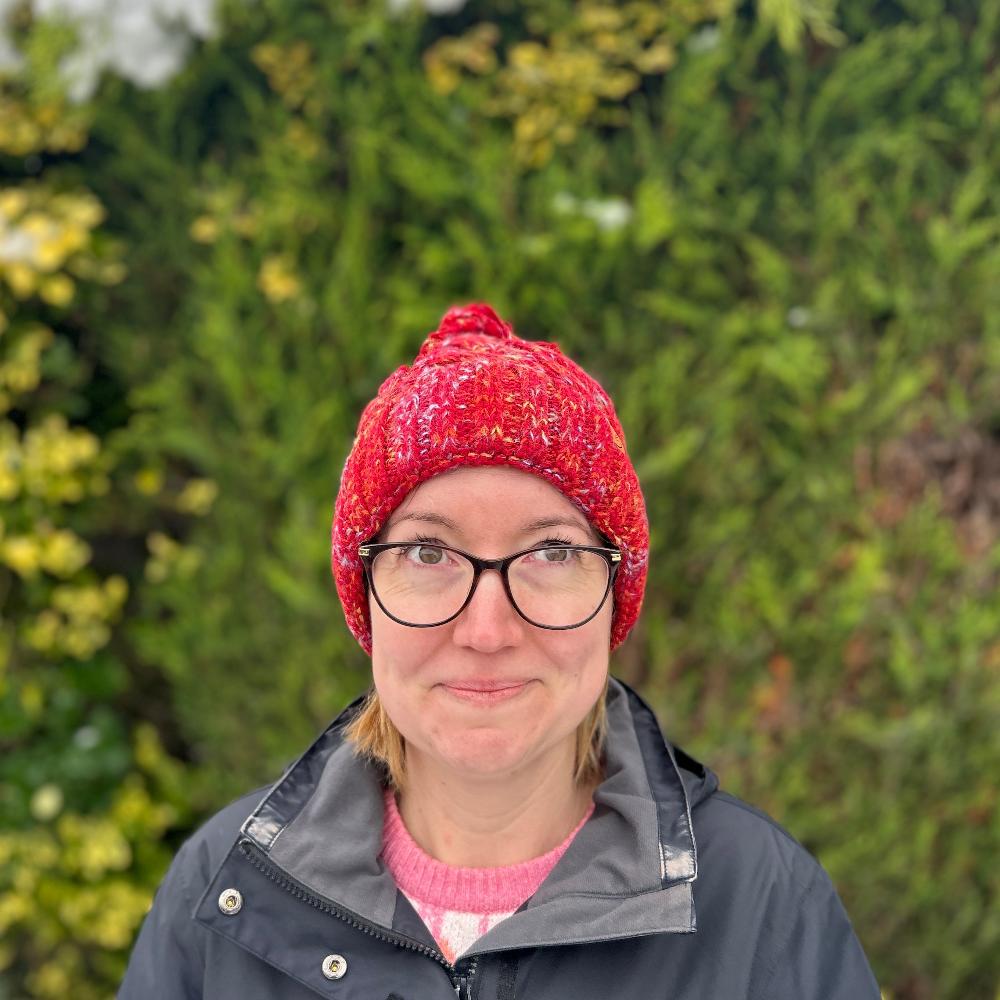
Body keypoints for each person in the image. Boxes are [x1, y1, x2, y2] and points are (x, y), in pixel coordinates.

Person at [119, 303, 880, 999]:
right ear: (364, 595)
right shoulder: (225, 890)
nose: (487, 630)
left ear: (615, 593)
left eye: (550, 552)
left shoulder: (761, 903)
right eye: (428, 553)